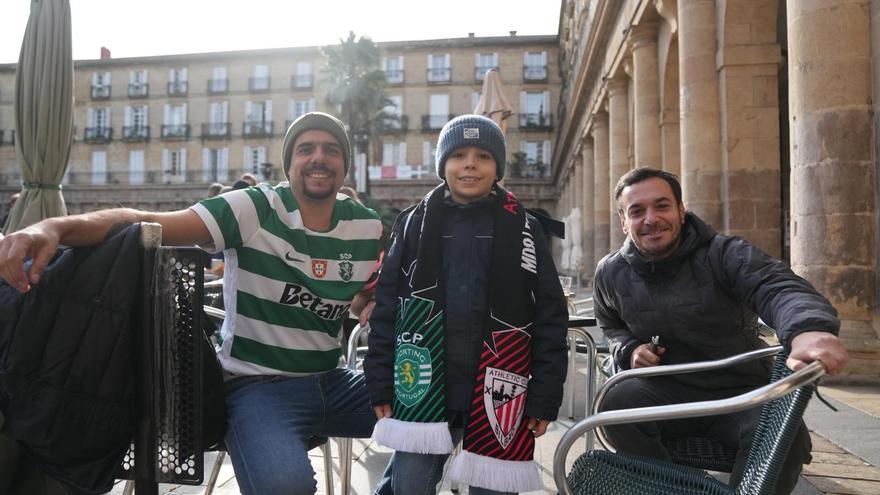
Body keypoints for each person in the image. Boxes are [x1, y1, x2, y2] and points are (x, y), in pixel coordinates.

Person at [0, 112, 384, 495]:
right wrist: (53, 227)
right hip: (257, 386)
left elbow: (369, 289)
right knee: (285, 486)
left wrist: (369, 300)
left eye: (331, 149)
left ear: (345, 166)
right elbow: (145, 221)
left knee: (435, 405)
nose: (319, 157)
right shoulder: (254, 208)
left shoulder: (368, 227)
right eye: (306, 149)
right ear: (289, 165)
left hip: (335, 382)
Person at [593, 167, 849, 495]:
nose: (651, 219)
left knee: (787, 437)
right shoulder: (610, 272)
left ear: (681, 211)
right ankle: (675, 489)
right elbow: (610, 324)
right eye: (637, 211)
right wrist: (629, 349)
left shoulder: (723, 253)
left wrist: (807, 329)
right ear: (623, 222)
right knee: (615, 403)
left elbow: (776, 287)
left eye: (662, 206)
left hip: (741, 390)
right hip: (668, 392)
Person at [365, 115, 568, 495]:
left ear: (498, 168)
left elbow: (550, 316)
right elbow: (386, 309)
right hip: (420, 389)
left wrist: (544, 396)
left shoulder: (526, 227)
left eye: (483, 156)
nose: (470, 163)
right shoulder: (412, 224)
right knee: (409, 485)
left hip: (499, 389)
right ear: (443, 164)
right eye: (458, 154)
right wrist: (379, 383)